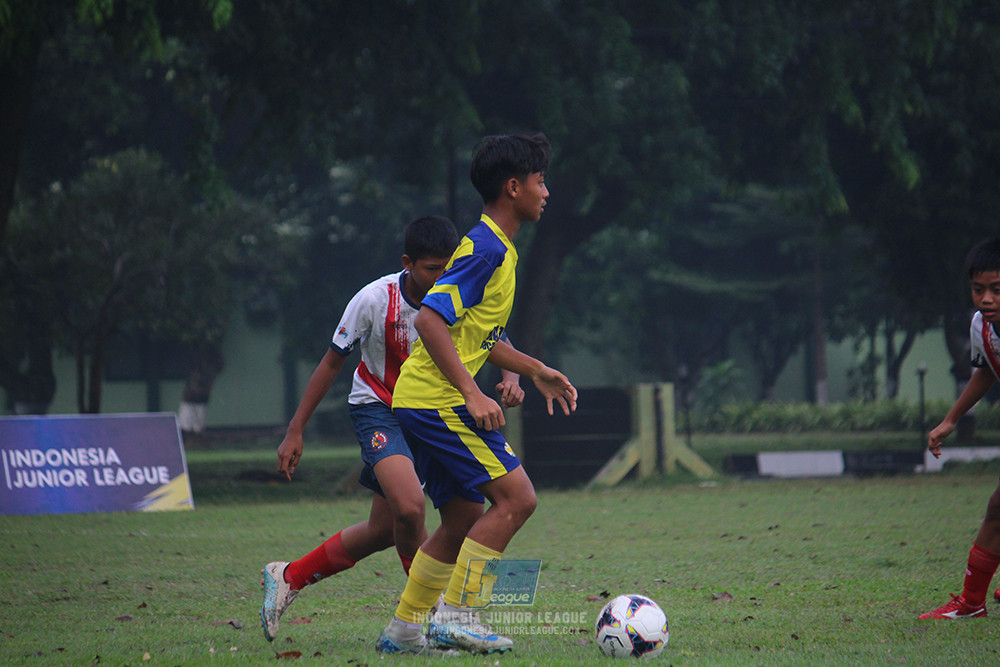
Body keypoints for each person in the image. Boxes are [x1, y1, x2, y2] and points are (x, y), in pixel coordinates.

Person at [259, 215, 525, 642]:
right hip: (379, 408)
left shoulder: (463, 290)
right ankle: (427, 613)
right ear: (408, 263)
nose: (440, 277)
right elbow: (332, 361)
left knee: (384, 530)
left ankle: (288, 576)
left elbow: (494, 340)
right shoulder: (373, 299)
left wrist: (511, 383)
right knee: (409, 508)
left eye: (446, 266)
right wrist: (296, 429)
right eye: (430, 269)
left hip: (434, 413)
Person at [375, 133, 578, 655]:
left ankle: (405, 630)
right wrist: (471, 393)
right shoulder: (486, 248)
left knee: (464, 516)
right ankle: (458, 616)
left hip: (422, 399)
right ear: (514, 188)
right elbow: (429, 320)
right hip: (434, 401)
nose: (546, 192)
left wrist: (535, 369)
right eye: (539, 182)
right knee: (518, 498)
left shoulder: (497, 249)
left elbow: (477, 337)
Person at [919, 237, 1000, 620]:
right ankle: (971, 603)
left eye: (997, 290)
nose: (986, 299)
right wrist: (951, 419)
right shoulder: (982, 327)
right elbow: (986, 369)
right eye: (978, 289)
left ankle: (970, 604)